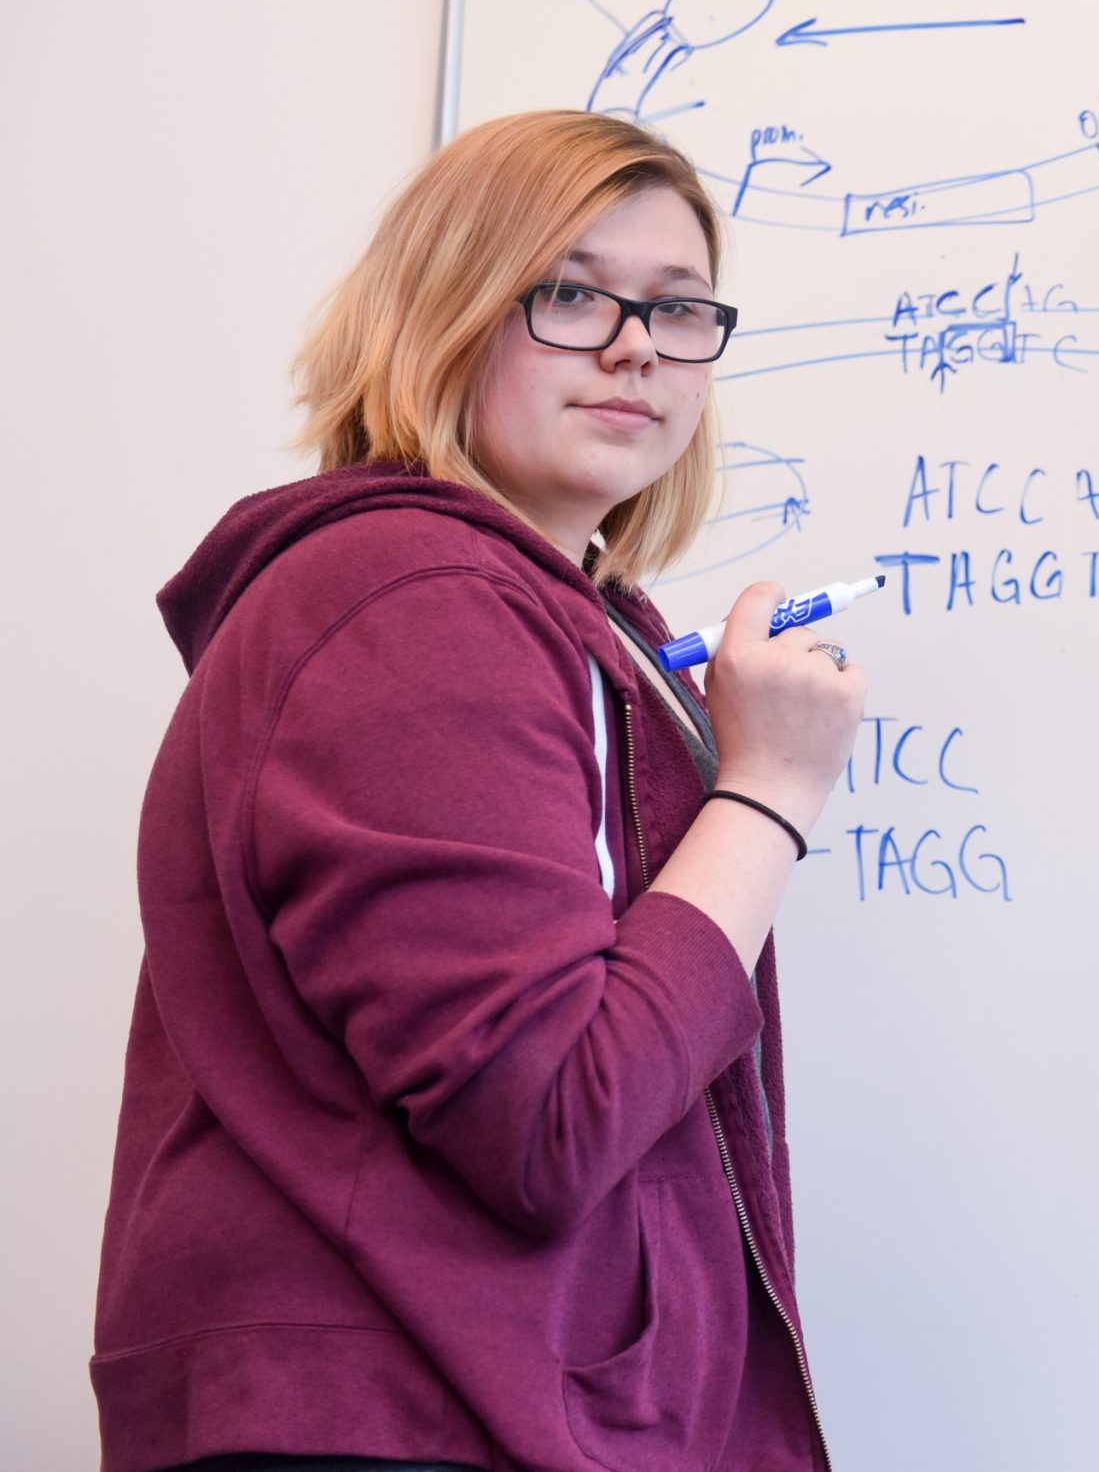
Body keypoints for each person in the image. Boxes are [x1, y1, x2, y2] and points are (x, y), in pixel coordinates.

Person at [94, 111, 864, 1470]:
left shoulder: (566, 619)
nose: (637, 344)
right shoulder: (414, 598)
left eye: (679, 309)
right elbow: (551, 1117)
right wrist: (769, 787)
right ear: (447, 311)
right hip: (402, 1419)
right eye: (573, 292)